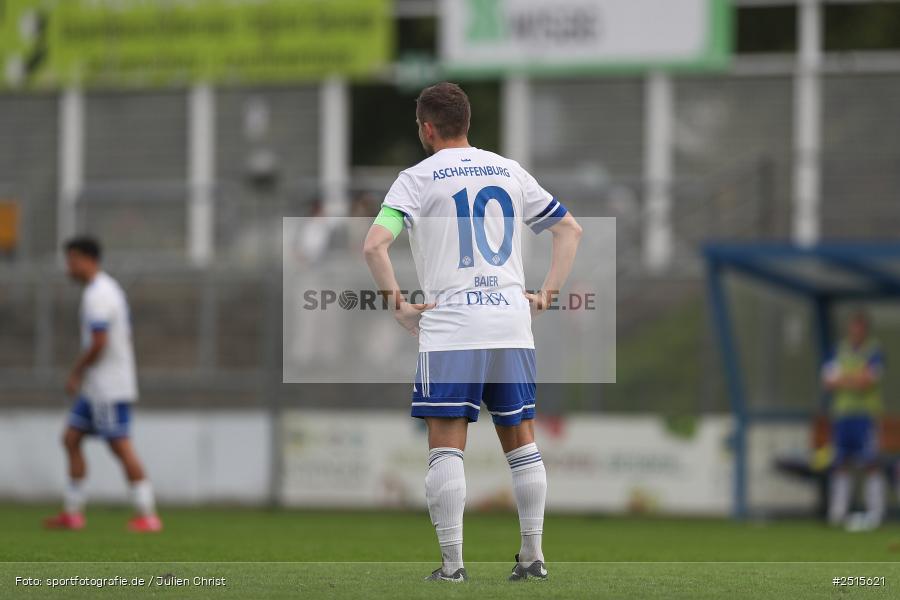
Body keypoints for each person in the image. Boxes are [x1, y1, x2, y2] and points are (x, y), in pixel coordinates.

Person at [363, 82, 582, 582]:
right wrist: (545, 294)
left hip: (453, 328)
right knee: (522, 443)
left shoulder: (415, 180)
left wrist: (397, 304)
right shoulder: (509, 171)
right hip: (510, 324)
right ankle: (532, 558)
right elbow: (570, 230)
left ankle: (453, 566)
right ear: (467, 123)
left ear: (427, 127)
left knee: (446, 445)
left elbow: (374, 246)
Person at [43, 236, 162, 532]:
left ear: (86, 259)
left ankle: (147, 515)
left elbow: (99, 342)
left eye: (71, 261)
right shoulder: (106, 289)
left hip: (109, 385)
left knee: (120, 445)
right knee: (71, 438)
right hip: (97, 386)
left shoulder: (99, 294)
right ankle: (72, 513)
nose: (68, 268)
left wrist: (76, 372)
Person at [822, 310, 885, 530]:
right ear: (850, 328)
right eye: (853, 327)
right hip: (842, 415)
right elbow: (828, 382)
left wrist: (843, 379)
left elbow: (867, 382)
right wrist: (854, 378)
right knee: (840, 463)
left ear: (865, 329)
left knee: (870, 462)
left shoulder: (873, 350)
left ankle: (875, 513)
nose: (856, 331)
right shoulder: (838, 350)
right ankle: (837, 513)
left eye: (860, 327)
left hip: (865, 415)